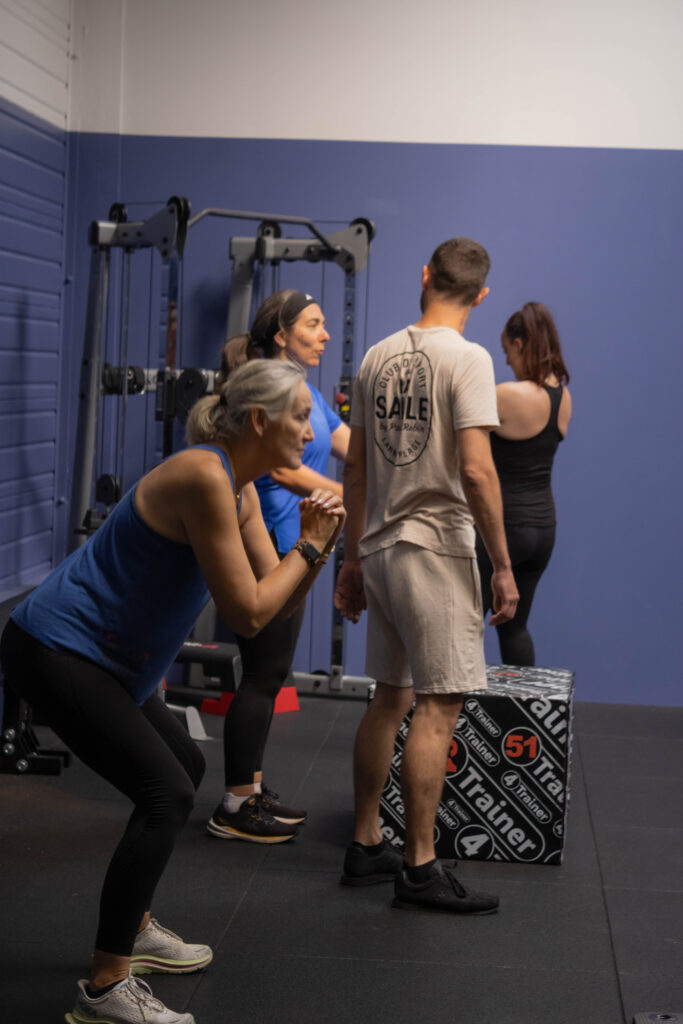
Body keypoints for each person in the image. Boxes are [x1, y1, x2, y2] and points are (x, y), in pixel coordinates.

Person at [0, 360, 344, 1024]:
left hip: (110, 662)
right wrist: (308, 545)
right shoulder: (203, 476)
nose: (311, 433)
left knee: (183, 767)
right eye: (301, 417)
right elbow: (246, 613)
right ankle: (106, 987)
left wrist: (318, 550)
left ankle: (133, 929)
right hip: (57, 649)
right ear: (259, 420)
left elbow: (273, 605)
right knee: (167, 793)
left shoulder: (240, 489)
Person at [334, 237, 518, 914]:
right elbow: (475, 470)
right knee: (438, 706)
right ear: (481, 295)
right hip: (436, 548)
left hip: (382, 546)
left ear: (425, 276)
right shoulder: (469, 359)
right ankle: (418, 866)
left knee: (389, 697)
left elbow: (355, 468)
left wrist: (352, 558)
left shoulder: (376, 356)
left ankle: (365, 844)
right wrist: (501, 565)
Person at [207, 290, 350, 844]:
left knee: (270, 673)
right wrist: (353, 498)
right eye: (313, 324)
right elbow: (284, 473)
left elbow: (351, 445)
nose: (325, 334)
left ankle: (250, 787)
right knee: (263, 673)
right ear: (282, 335)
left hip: (295, 542)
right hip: (265, 538)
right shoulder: (268, 391)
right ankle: (235, 804)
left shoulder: (308, 392)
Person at [475, 302, 571, 666]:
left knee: (465, 626)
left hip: (502, 530)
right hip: (542, 532)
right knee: (514, 628)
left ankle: (449, 704)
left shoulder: (506, 395)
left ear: (520, 344)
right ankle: (524, 705)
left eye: (507, 351)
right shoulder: (563, 398)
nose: (507, 361)